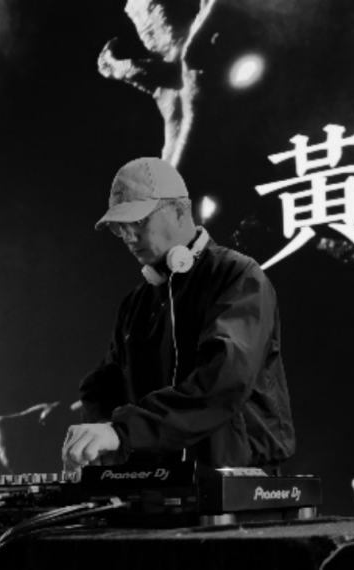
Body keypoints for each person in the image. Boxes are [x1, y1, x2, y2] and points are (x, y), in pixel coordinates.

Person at [61, 157, 295, 471]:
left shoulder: (237, 275)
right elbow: (102, 384)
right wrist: (100, 435)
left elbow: (225, 378)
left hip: (234, 475)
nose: (128, 236)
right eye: (119, 227)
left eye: (138, 221)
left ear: (180, 210)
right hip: (158, 480)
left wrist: (124, 431)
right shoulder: (136, 303)